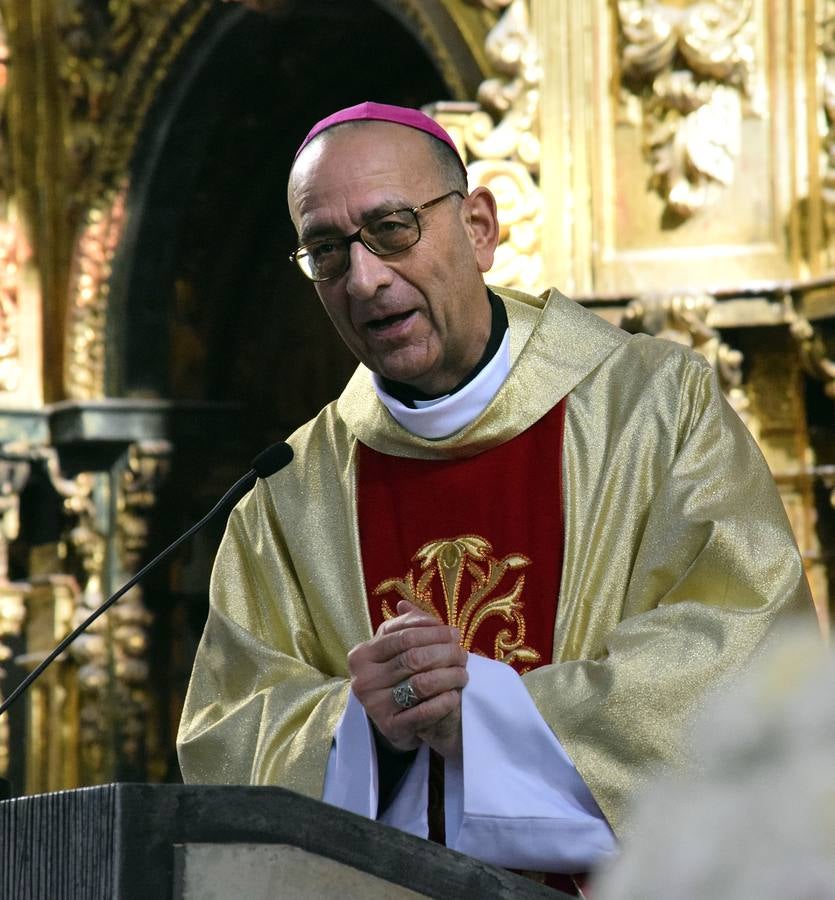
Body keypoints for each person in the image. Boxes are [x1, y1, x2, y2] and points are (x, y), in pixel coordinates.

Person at [177, 101, 812, 885]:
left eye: (393, 228)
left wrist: (477, 714)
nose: (365, 277)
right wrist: (358, 728)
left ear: (478, 226)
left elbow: (742, 659)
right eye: (326, 250)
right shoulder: (283, 498)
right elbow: (225, 743)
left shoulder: (653, 408)